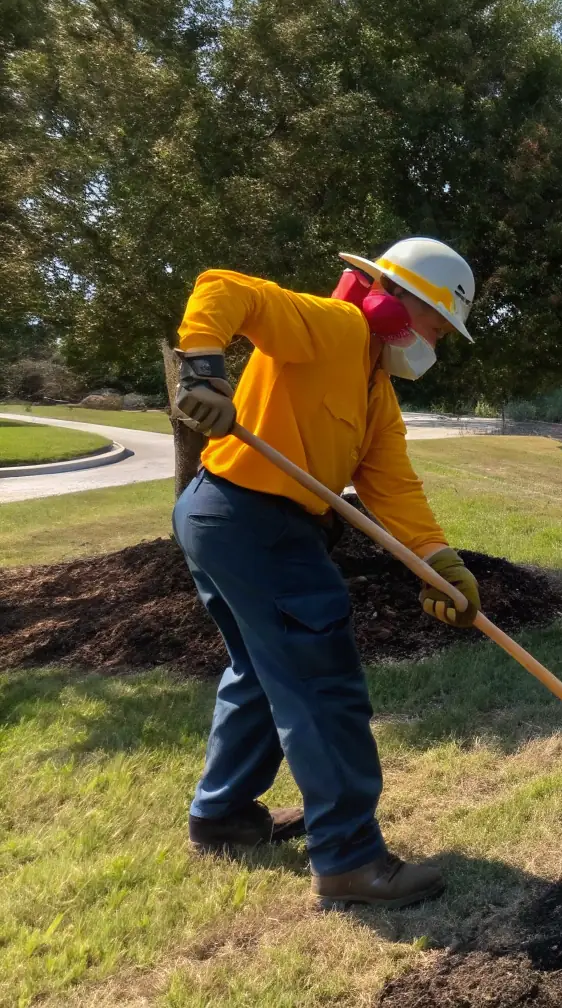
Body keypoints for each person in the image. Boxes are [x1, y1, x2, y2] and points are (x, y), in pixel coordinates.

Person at [171, 238, 482, 909]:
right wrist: (201, 370)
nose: (436, 343)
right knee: (322, 683)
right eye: (436, 326)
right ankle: (348, 859)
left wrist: (437, 563)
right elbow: (225, 284)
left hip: (228, 518)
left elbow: (392, 486)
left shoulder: (374, 388)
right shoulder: (334, 325)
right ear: (397, 303)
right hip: (251, 518)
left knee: (260, 674)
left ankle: (221, 815)